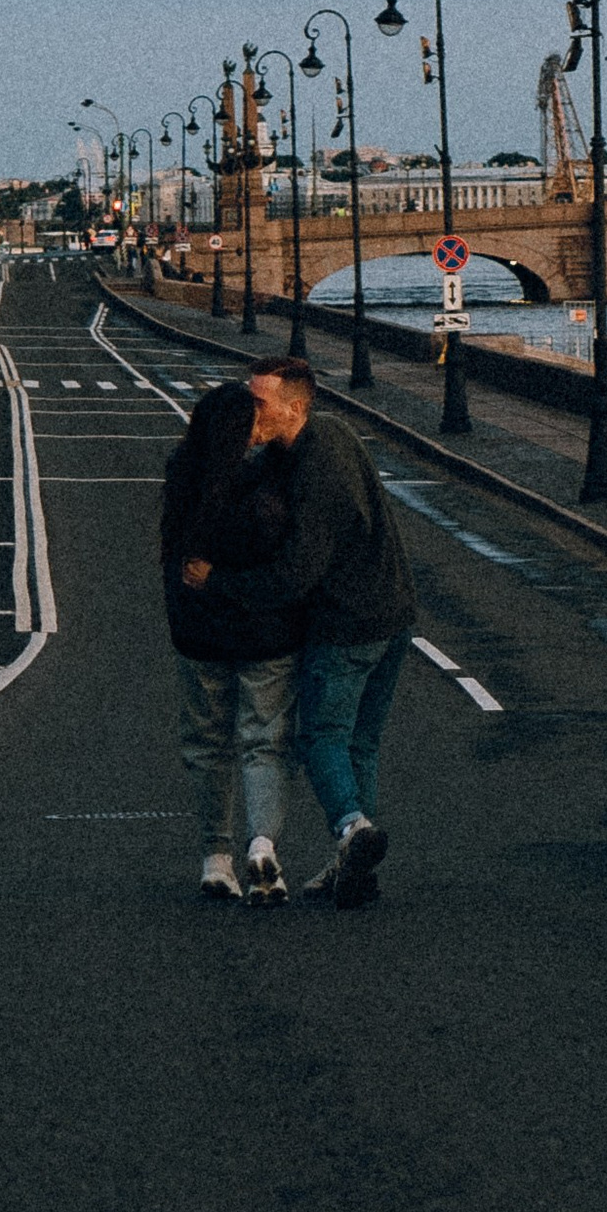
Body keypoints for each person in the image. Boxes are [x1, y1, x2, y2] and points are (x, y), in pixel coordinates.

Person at [179, 355, 418, 908]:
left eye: (258, 403)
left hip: (348, 623)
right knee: (359, 745)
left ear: (294, 407)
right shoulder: (324, 438)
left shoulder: (316, 468)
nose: (250, 412)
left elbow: (294, 575)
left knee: (319, 738)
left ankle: (352, 828)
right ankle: (352, 868)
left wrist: (217, 581)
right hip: (394, 615)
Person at [161, 377, 302, 905]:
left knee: (207, 744)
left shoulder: (183, 473)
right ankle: (262, 845)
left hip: (199, 634)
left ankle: (215, 859)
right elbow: (281, 565)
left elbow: (175, 562)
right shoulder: (264, 484)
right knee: (264, 742)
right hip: (265, 636)